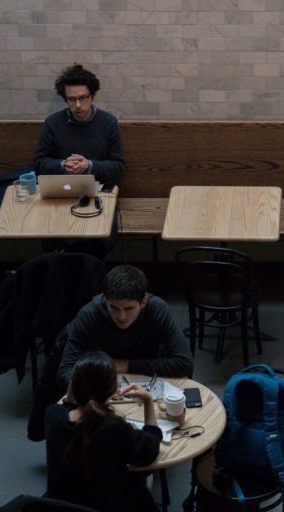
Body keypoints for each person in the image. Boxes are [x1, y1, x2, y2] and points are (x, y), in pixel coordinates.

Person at [45, 351, 161, 512]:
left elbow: (67, 408)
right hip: (107, 505)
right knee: (143, 478)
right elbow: (150, 451)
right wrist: (148, 401)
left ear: (73, 384)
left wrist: (74, 392)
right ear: (114, 389)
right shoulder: (114, 427)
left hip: (61, 505)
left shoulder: (52, 415)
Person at [34, 64, 125, 259]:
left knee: (102, 240)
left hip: (100, 192)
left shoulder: (108, 123)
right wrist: (62, 165)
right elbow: (40, 163)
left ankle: (89, 276)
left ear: (92, 96)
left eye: (82, 98)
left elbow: (118, 165)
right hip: (62, 192)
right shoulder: (53, 123)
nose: (77, 105)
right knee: (50, 239)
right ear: (65, 99)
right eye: (71, 99)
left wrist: (89, 165)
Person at [57, 264, 193, 389]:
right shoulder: (89, 314)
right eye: (114, 308)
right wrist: (100, 373)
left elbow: (185, 363)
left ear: (143, 302)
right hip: (101, 386)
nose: (121, 317)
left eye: (129, 309)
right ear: (106, 300)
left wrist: (126, 365)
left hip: (145, 384)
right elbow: (64, 372)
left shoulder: (157, 309)